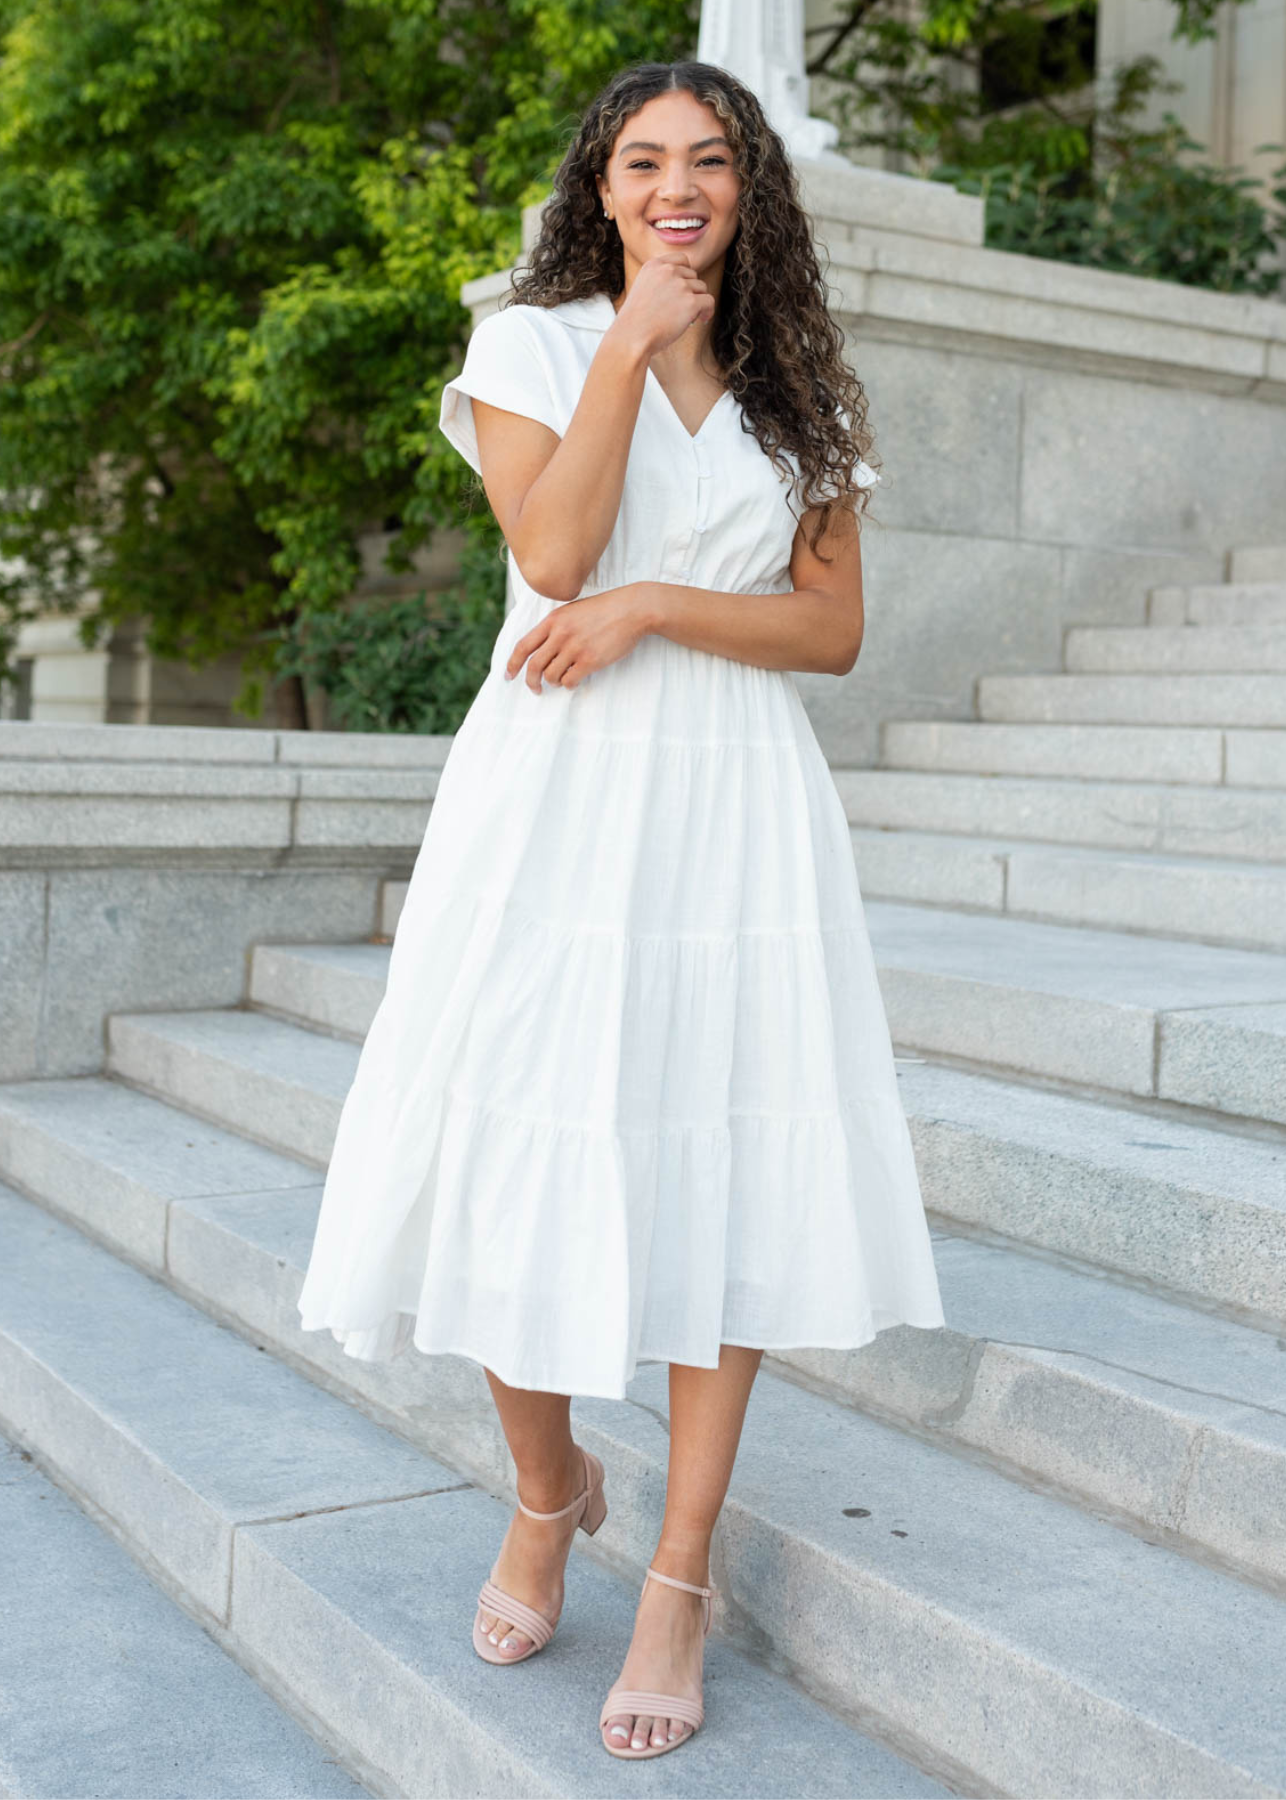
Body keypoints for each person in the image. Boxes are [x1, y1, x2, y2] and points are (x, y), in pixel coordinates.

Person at [296, 58, 946, 1764]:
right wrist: (623, 346)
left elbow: (826, 635)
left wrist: (670, 603)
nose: (677, 185)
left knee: (719, 1153)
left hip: (734, 808)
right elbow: (559, 554)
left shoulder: (805, 389)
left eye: (711, 160)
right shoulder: (525, 341)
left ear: (750, 190)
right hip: (556, 794)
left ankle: (676, 1572)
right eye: (644, 159)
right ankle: (548, 1485)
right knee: (500, 1136)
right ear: (601, 187)